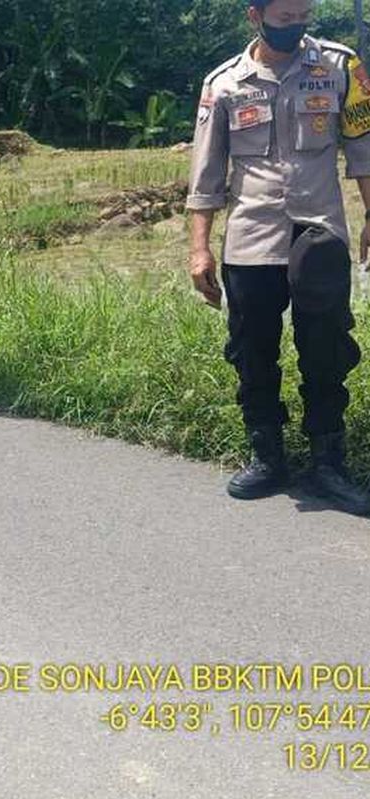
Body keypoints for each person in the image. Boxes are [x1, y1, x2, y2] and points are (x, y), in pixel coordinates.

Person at [187, 0, 370, 513]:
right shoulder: (223, 83)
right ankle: (267, 454)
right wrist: (199, 247)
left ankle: (329, 462)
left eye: (302, 17)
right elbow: (206, 173)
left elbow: (362, 146)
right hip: (251, 239)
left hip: (319, 234)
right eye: (284, 18)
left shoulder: (340, 67)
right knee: (252, 351)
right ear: (255, 16)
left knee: (326, 351)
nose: (295, 27)